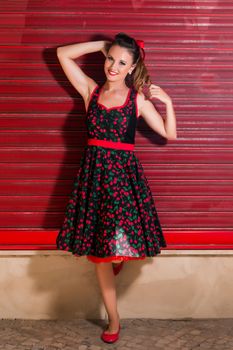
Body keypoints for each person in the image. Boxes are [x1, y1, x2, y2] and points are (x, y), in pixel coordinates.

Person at [55, 32, 177, 343]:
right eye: (111, 58)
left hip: (123, 181)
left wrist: (168, 103)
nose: (113, 66)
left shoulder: (137, 99)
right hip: (94, 180)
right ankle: (114, 318)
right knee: (101, 256)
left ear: (132, 68)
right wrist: (99, 44)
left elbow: (168, 133)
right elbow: (62, 54)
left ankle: (118, 257)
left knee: (113, 251)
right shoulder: (90, 92)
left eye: (122, 62)